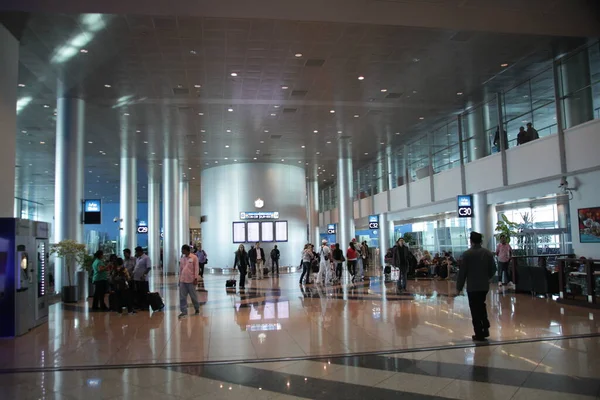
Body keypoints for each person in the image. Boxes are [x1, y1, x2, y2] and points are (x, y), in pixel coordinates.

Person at [457, 231, 497, 341]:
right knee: (481, 305)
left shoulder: (467, 254)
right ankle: (485, 326)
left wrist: (459, 287)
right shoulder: (488, 253)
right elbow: (494, 269)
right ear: (481, 241)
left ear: (471, 240)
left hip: (473, 287)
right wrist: (487, 276)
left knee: (475, 309)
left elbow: (462, 272)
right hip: (484, 286)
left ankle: (479, 332)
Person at [178, 244, 200, 318]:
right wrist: (179, 279)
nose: (181, 251)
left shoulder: (194, 257)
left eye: (182, 250)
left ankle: (197, 308)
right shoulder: (182, 259)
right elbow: (181, 270)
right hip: (183, 280)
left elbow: (196, 268)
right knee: (182, 297)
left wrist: (196, 278)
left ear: (186, 250)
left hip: (191, 280)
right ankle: (183, 311)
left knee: (193, 296)